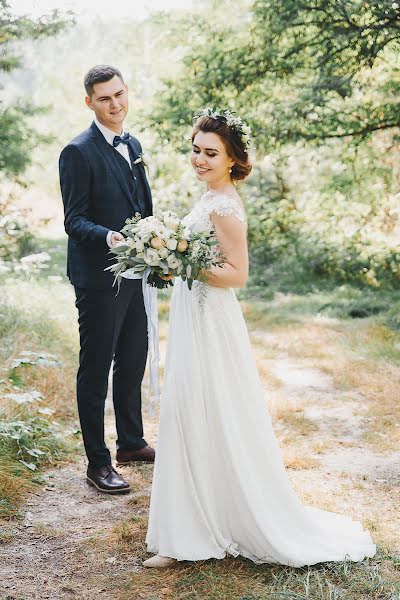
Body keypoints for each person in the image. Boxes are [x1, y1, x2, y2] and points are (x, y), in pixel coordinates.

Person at [143, 109, 376, 567]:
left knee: (204, 410)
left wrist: (182, 260)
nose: (200, 159)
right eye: (196, 149)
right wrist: (169, 258)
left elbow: (237, 274)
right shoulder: (208, 196)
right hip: (195, 317)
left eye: (211, 153)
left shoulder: (225, 205)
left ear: (232, 159)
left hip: (212, 322)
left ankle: (200, 530)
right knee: (190, 412)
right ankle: (188, 525)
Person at [59, 65, 155, 495]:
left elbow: (141, 203)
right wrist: (107, 236)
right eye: (104, 98)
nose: (115, 104)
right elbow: (74, 220)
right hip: (98, 278)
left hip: (136, 273)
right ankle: (97, 463)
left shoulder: (132, 143)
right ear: (89, 103)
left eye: (119, 94)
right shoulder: (77, 152)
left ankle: (131, 443)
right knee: (96, 368)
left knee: (134, 357)